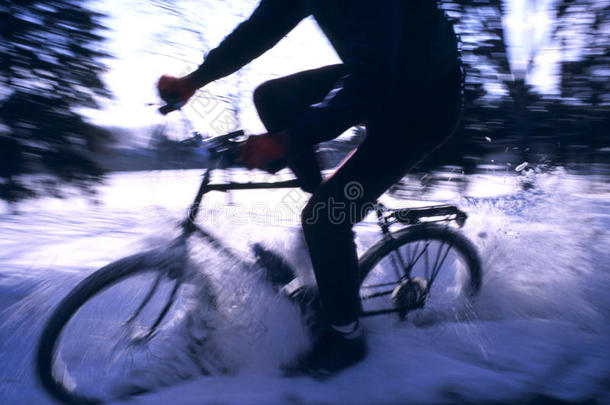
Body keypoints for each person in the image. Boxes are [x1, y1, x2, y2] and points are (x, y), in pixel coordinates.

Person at [157, 0, 463, 377]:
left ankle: (347, 337)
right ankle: (321, 242)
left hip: (424, 107)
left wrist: (286, 142)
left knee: (324, 216)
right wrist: (194, 80)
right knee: (273, 98)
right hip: (385, 81)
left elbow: (373, 80)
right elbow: (257, 32)